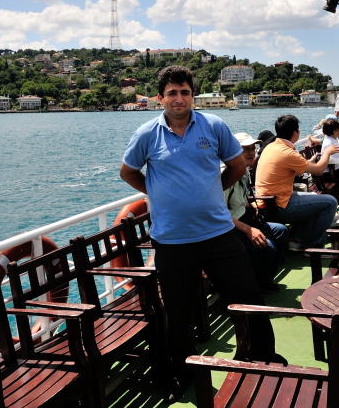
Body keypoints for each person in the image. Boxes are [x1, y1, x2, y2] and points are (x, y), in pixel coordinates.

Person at [120, 65, 282, 402]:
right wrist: (157, 192)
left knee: (248, 298)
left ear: (192, 95)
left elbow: (237, 166)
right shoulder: (147, 134)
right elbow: (128, 172)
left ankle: (263, 357)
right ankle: (181, 375)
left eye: (185, 92)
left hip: (218, 233)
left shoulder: (214, 125)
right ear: (160, 98)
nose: (179, 98)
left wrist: (212, 190)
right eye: (172, 93)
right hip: (172, 240)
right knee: (178, 313)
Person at [255, 114, 339, 250]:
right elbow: (319, 170)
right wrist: (327, 153)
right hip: (280, 205)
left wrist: (308, 161)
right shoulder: (287, 152)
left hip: (266, 202)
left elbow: (291, 169)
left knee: (314, 197)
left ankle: (297, 239)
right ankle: (315, 247)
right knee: (330, 202)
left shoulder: (271, 147)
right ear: (295, 133)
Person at [224, 132, 289, 293]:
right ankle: (258, 285)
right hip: (231, 226)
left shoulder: (244, 170)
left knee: (281, 231)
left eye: (253, 148)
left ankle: (265, 277)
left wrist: (251, 205)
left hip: (245, 217)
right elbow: (218, 213)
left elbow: (241, 198)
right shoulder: (226, 175)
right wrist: (248, 230)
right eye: (245, 149)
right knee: (268, 247)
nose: (251, 152)